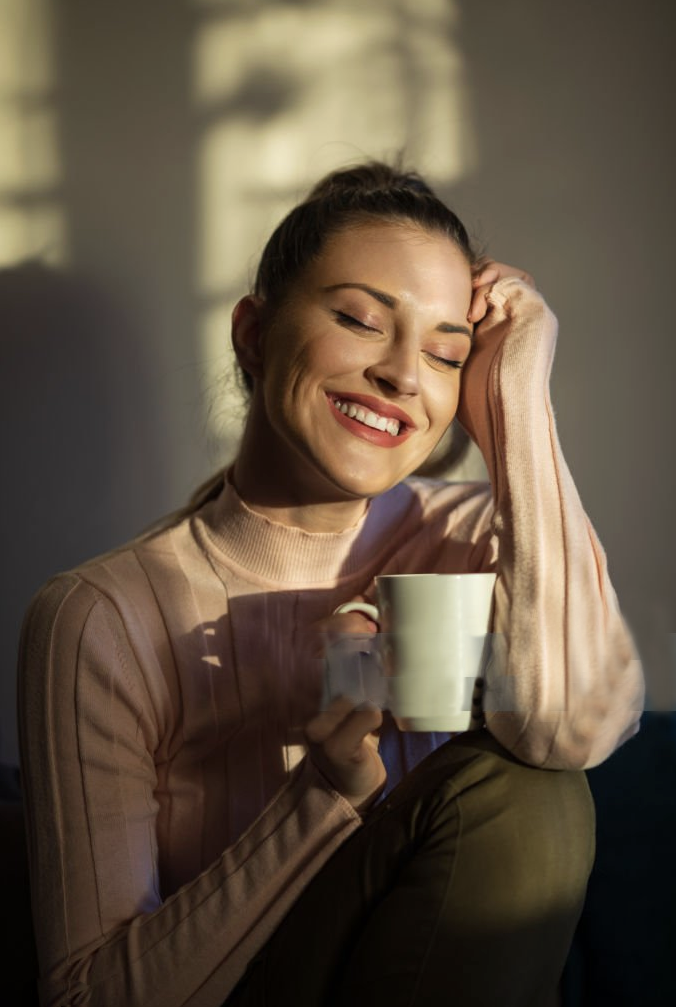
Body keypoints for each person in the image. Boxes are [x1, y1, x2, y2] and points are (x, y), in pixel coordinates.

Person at [18, 161, 644, 1007]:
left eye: (446, 354)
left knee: (537, 792)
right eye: (359, 320)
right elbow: (84, 997)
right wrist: (320, 795)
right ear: (253, 333)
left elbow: (569, 729)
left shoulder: (472, 535)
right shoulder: (101, 617)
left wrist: (519, 403)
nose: (404, 375)